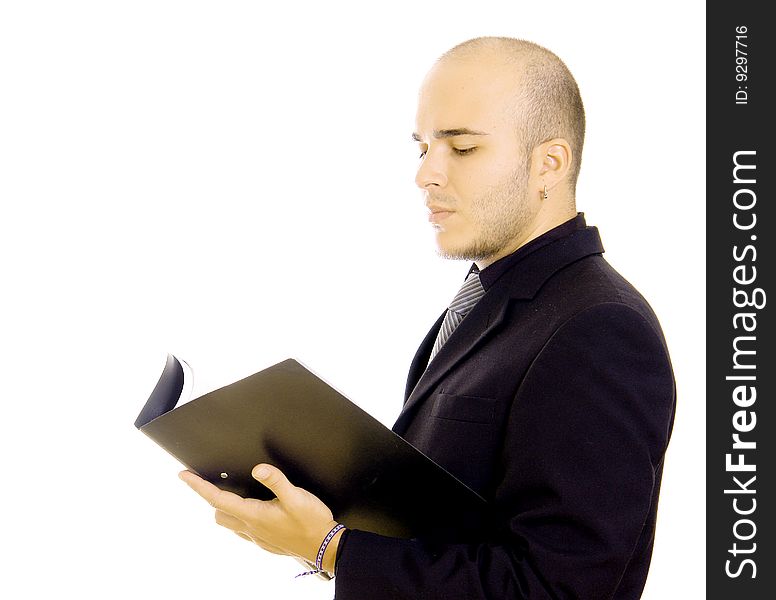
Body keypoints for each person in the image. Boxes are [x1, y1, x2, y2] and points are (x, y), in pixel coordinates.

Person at [180, 36, 677, 599]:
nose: (427, 175)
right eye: (423, 148)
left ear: (550, 163)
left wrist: (331, 548)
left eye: (461, 149)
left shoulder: (599, 328)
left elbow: (561, 589)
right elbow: (451, 525)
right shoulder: (491, 299)